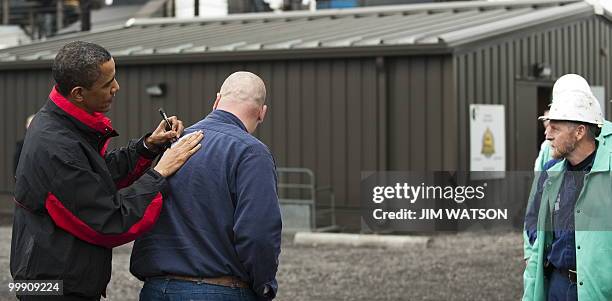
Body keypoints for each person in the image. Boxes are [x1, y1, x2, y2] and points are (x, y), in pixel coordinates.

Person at [10, 41, 203, 301]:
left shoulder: (60, 123)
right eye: (107, 83)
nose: (116, 87)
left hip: (51, 277)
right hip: (53, 289)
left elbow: (94, 176)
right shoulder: (56, 146)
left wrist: (147, 147)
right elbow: (109, 221)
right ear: (78, 93)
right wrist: (160, 173)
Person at [130, 71, 282, 301]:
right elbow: (258, 233)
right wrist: (264, 286)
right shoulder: (251, 152)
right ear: (262, 113)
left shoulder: (174, 143)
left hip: (155, 289)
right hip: (219, 290)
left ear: (217, 100)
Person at [522, 88, 612, 300]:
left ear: (579, 132)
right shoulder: (551, 173)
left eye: (555, 127)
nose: (547, 134)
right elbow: (537, 230)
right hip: (557, 285)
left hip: (596, 291)